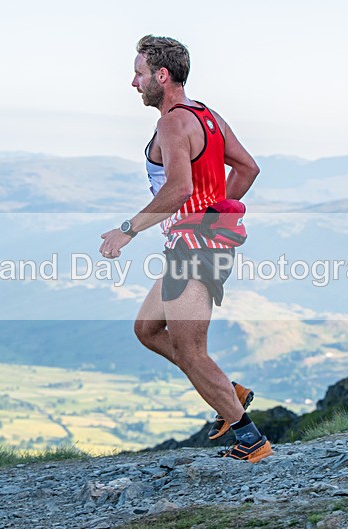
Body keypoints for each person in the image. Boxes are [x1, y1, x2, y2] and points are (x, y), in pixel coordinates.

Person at [99, 35, 272, 463]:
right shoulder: (207, 116)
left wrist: (128, 229)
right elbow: (248, 168)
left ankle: (250, 440)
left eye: (139, 73)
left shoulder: (173, 122)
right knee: (147, 330)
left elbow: (179, 188)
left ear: (161, 75)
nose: (133, 82)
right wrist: (215, 215)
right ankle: (229, 391)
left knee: (191, 350)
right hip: (199, 243)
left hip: (197, 250)